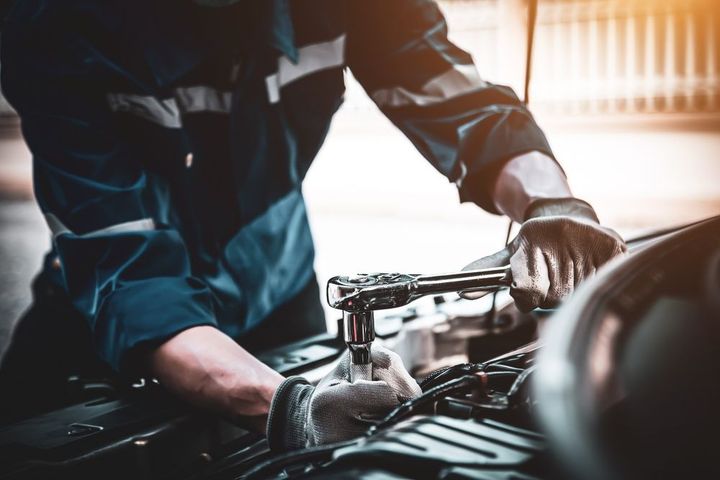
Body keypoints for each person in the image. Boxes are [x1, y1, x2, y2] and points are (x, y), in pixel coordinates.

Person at [0, 0, 625, 450]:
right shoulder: (53, 24)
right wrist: (288, 407)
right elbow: (131, 276)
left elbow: (464, 107)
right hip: (99, 329)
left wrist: (552, 206)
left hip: (278, 288)